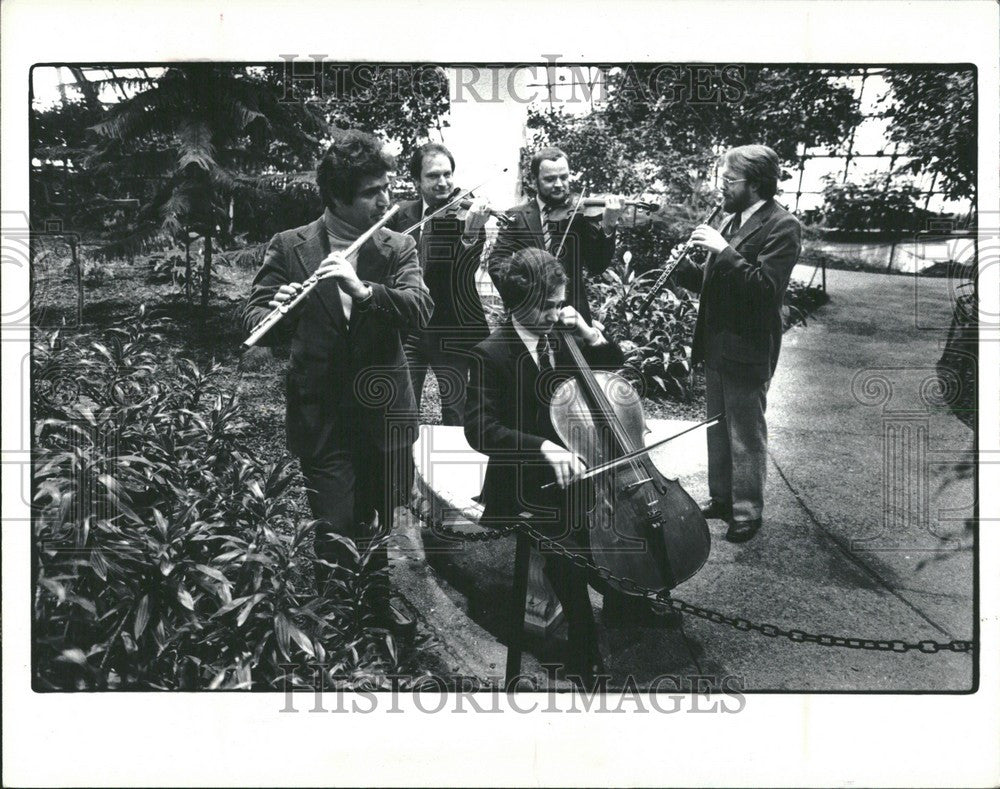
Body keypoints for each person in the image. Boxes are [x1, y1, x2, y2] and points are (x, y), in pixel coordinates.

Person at [242, 130, 433, 635]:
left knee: (376, 518)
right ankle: (335, 618)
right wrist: (280, 310)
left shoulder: (397, 244)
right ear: (339, 196)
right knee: (333, 523)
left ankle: (375, 601)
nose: (386, 198)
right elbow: (253, 316)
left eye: (386, 186)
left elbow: (419, 310)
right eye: (373, 191)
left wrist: (365, 289)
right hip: (321, 412)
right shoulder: (291, 246)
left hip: (382, 409)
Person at [464, 246, 625, 686]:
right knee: (569, 552)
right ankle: (583, 652)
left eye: (559, 304)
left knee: (611, 534)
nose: (556, 314)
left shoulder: (562, 338)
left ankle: (627, 603)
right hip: (523, 482)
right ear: (518, 302)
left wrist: (591, 335)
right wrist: (543, 449)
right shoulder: (490, 353)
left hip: (575, 474)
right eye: (547, 306)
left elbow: (612, 369)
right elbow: (481, 431)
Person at [670, 144, 802, 543]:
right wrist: (685, 270)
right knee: (717, 427)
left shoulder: (783, 225)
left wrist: (723, 251)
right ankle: (722, 498)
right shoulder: (732, 221)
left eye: (729, 180)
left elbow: (764, 289)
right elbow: (717, 285)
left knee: (745, 433)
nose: (721, 187)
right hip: (717, 343)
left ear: (756, 183)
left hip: (748, 346)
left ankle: (748, 511)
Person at [391, 142, 493, 425]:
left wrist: (471, 230)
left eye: (448, 174)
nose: (443, 182)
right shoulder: (401, 214)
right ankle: (403, 468)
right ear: (416, 180)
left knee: (455, 413)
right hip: (409, 328)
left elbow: (465, 268)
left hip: (451, 328)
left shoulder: (466, 215)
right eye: (433, 176)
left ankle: (456, 468)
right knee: (402, 409)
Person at [488, 146, 623, 326]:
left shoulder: (580, 215)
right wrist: (525, 297)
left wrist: (608, 225)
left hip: (573, 317)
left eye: (564, 177)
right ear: (535, 179)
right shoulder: (517, 217)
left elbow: (596, 266)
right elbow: (497, 263)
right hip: (529, 316)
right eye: (550, 179)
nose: (559, 184)